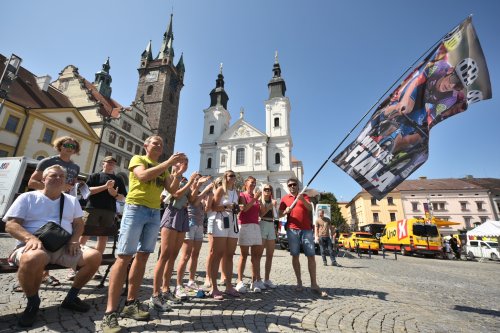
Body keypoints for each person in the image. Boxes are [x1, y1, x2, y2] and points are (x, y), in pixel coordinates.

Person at [101, 136, 185, 333]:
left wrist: (178, 173)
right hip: (135, 208)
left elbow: (173, 191)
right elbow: (142, 176)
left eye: (161, 144)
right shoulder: (138, 159)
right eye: (155, 142)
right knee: (123, 257)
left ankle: (131, 303)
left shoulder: (163, 168)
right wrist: (168, 163)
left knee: (143, 256)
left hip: (154, 211)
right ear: (146, 146)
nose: (159, 145)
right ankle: (110, 313)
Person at [3, 165, 101, 327]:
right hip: (32, 246)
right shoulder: (27, 197)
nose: (58, 179)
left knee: (94, 256)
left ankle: (71, 298)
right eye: (53, 176)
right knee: (35, 257)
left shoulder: (71, 200)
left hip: (63, 245)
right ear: (43, 180)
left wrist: (75, 239)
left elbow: (78, 224)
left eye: (61, 176)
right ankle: (33, 303)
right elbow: (11, 225)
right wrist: (30, 238)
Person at [151, 159, 210, 310]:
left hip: (184, 215)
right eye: (181, 163)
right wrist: (191, 182)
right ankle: (155, 294)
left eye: (186, 163)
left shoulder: (185, 180)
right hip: (172, 213)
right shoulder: (170, 177)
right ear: (174, 165)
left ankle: (165, 289)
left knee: (173, 256)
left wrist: (197, 185)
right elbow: (175, 194)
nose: (184, 165)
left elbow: (191, 200)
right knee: (164, 255)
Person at [28, 136, 82, 287]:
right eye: (66, 144)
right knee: (43, 233)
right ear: (60, 146)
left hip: (64, 203)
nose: (69, 147)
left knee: (58, 235)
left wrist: (76, 186)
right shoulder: (48, 162)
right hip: (45, 202)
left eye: (73, 145)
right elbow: (32, 182)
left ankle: (47, 273)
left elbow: (70, 185)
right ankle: (40, 274)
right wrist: (54, 188)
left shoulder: (75, 167)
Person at [79, 156, 127, 279]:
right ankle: (76, 264)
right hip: (92, 208)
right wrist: (105, 187)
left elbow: (122, 197)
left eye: (113, 163)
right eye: (108, 162)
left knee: (103, 238)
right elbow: (87, 191)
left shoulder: (118, 179)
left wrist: (114, 193)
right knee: (84, 234)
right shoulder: (95, 176)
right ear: (103, 164)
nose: (111, 164)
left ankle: (95, 266)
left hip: (109, 211)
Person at [279, 178, 326, 297]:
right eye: (290, 185)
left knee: (311, 255)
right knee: (295, 255)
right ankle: (299, 282)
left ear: (297, 186)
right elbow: (279, 214)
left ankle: (314, 284)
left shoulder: (304, 196)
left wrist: (302, 200)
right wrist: (285, 211)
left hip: (306, 229)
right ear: (288, 187)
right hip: (292, 230)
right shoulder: (285, 199)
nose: (292, 186)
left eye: (294, 184)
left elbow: (310, 209)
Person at [175, 179, 213, 294]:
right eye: (197, 180)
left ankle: (191, 280)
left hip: (200, 225)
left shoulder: (200, 194)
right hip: (190, 224)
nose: (200, 183)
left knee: (195, 255)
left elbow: (206, 210)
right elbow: (194, 203)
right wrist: (205, 190)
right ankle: (179, 284)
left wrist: (210, 196)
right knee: (185, 255)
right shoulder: (190, 192)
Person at [208, 170, 240, 300]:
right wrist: (227, 207)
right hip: (221, 221)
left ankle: (228, 286)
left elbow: (235, 206)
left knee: (230, 255)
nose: (232, 178)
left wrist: (236, 207)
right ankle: (214, 287)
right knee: (217, 254)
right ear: (225, 178)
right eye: (230, 176)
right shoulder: (221, 189)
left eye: (234, 176)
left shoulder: (236, 191)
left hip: (232, 222)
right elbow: (213, 207)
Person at [235, 176, 264, 293]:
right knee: (244, 255)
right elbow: (244, 209)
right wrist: (254, 199)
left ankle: (254, 281)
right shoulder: (242, 195)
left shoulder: (256, 198)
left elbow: (261, 213)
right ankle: (239, 281)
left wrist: (264, 204)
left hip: (256, 226)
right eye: (251, 183)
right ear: (246, 184)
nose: (253, 185)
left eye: (254, 183)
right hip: (245, 225)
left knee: (256, 256)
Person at [259, 184, 279, 289]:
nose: (267, 191)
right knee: (258, 254)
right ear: (262, 191)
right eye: (265, 189)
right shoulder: (260, 201)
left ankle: (266, 279)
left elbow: (276, 216)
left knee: (270, 255)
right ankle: (257, 279)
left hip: (271, 225)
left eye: (269, 189)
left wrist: (274, 207)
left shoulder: (273, 201)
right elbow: (260, 215)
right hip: (262, 223)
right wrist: (269, 207)